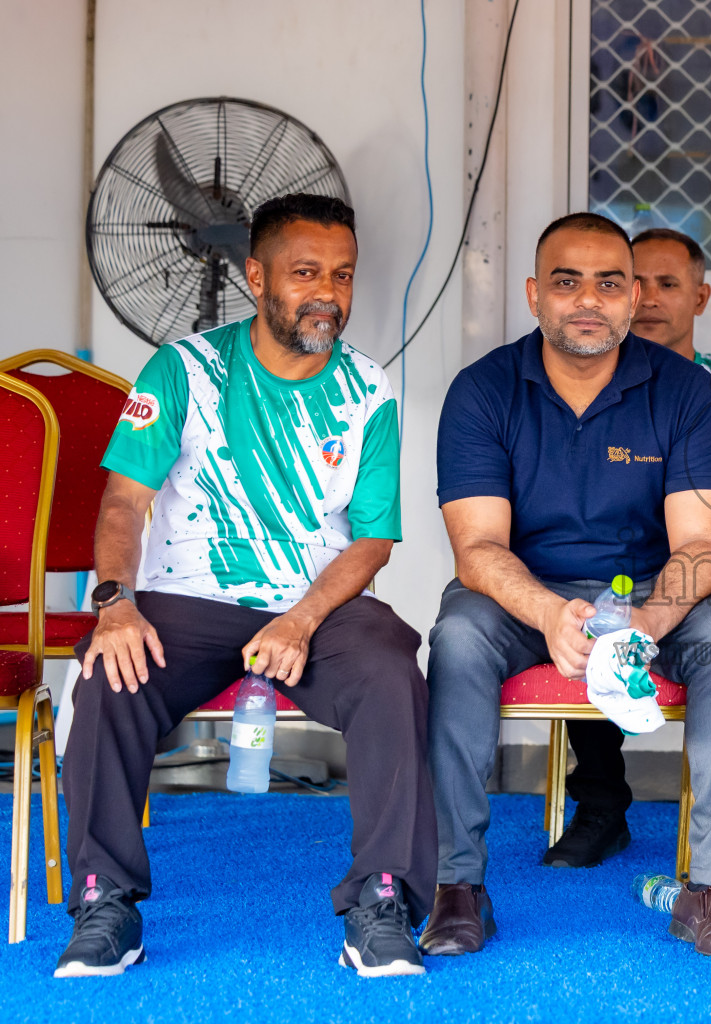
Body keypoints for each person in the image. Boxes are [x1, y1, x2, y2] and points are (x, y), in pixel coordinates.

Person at [55, 194, 434, 978]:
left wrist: (301, 619)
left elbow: (373, 540)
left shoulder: (368, 389)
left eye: (342, 274)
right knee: (105, 669)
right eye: (304, 273)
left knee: (390, 666)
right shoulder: (185, 368)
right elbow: (125, 500)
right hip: (188, 598)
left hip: (317, 607)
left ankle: (384, 900)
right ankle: (104, 902)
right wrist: (114, 602)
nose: (326, 292)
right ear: (256, 278)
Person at [421, 212, 711, 960]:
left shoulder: (683, 392)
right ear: (534, 293)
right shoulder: (483, 390)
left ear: (632, 295)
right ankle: (457, 886)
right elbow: (476, 550)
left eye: (608, 283)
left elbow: (703, 548)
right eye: (567, 282)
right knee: (456, 638)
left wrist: (646, 622)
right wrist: (547, 612)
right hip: (520, 593)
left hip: (650, 589)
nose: (587, 299)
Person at [540, 226, 711, 875]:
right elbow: (582, 479)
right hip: (617, 545)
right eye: (638, 282)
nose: (650, 298)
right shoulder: (587, 371)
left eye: (669, 283)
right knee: (590, 579)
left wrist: (691, 489)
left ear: (701, 297)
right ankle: (600, 805)